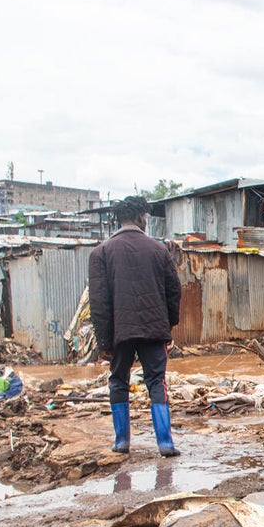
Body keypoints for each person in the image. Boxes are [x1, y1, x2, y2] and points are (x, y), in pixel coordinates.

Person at [88, 196, 182, 457]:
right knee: (156, 382)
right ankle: (165, 443)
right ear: (142, 217)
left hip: (121, 331)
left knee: (118, 380)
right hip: (154, 330)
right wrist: (169, 326)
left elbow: (99, 303)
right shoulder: (159, 250)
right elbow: (174, 291)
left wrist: (105, 343)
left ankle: (122, 442)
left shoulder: (101, 253)